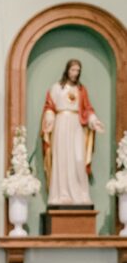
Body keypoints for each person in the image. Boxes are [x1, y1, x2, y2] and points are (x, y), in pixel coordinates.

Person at [41, 58, 104, 206]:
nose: (75, 73)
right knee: (62, 158)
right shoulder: (57, 88)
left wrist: (94, 120)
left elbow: (87, 108)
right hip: (61, 122)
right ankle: (61, 194)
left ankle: (81, 194)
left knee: (78, 159)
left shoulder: (81, 89)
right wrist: (49, 117)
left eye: (77, 70)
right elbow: (49, 106)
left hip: (76, 125)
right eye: (73, 70)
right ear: (67, 70)